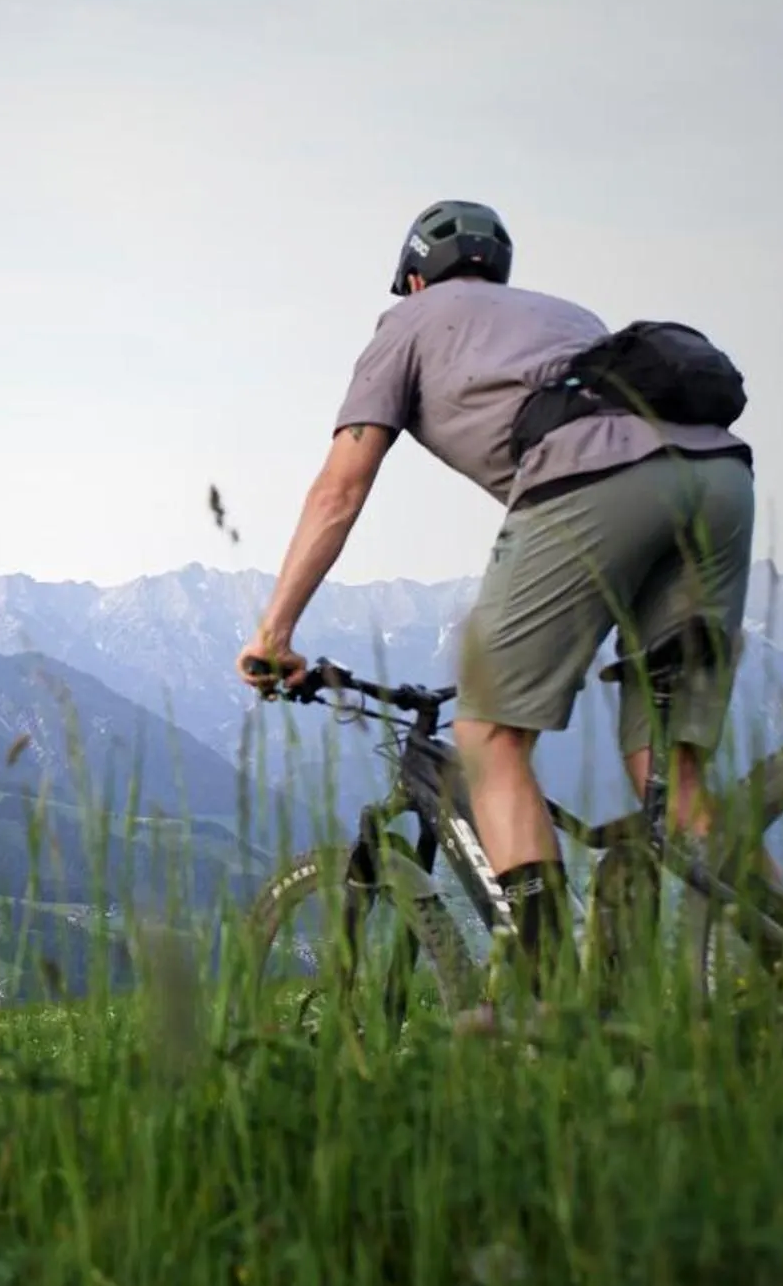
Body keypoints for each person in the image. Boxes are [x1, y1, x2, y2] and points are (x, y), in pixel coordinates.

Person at [234, 198, 756, 987]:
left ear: (414, 277)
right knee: (675, 787)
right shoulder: (565, 315)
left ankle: (556, 1006)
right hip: (720, 480)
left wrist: (273, 633)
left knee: (489, 741)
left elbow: (340, 488)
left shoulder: (405, 324)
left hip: (594, 482)